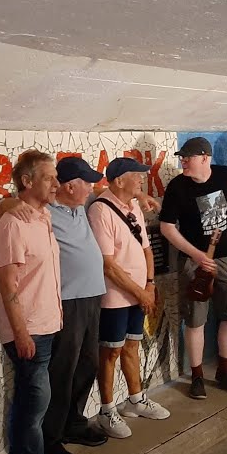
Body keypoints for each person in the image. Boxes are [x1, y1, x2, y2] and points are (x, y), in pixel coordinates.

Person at [0, 156, 114, 454]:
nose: (92, 186)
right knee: (56, 377)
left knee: (86, 364)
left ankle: (72, 423)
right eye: (51, 179)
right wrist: (5, 205)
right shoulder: (37, 213)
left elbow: (115, 193)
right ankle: (46, 445)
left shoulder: (74, 208)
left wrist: (141, 194)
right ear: (69, 185)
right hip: (61, 304)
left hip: (84, 299)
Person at [0, 150, 73, 454]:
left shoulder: (40, 216)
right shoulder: (13, 223)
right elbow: (7, 283)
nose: (56, 183)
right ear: (27, 181)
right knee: (35, 404)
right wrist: (21, 332)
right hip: (29, 329)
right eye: (48, 177)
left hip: (45, 323)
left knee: (29, 401)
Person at [158, 136, 227, 400]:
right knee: (195, 318)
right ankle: (197, 375)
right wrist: (196, 255)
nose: (183, 161)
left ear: (205, 158)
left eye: (188, 157)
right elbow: (166, 227)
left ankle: (224, 368)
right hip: (193, 260)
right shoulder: (177, 187)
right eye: (182, 157)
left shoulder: (222, 175)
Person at [88, 157, 171, 437]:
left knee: (132, 346)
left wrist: (149, 285)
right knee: (110, 351)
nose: (141, 181)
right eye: (137, 176)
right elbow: (108, 264)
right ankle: (107, 409)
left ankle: (136, 399)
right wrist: (140, 292)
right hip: (115, 297)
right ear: (119, 180)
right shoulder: (101, 211)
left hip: (139, 293)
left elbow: (146, 249)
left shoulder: (133, 204)